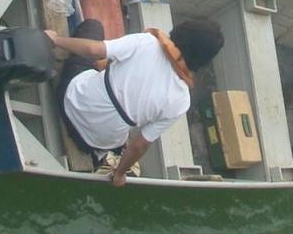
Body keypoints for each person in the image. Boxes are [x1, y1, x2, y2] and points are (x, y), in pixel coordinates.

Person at [47, 17, 224, 186]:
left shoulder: (147, 42)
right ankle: (106, 158)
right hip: (92, 142)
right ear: (203, 61)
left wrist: (55, 40)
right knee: (124, 132)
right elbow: (140, 145)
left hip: (70, 102)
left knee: (93, 27)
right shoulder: (181, 100)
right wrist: (119, 174)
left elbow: (93, 50)